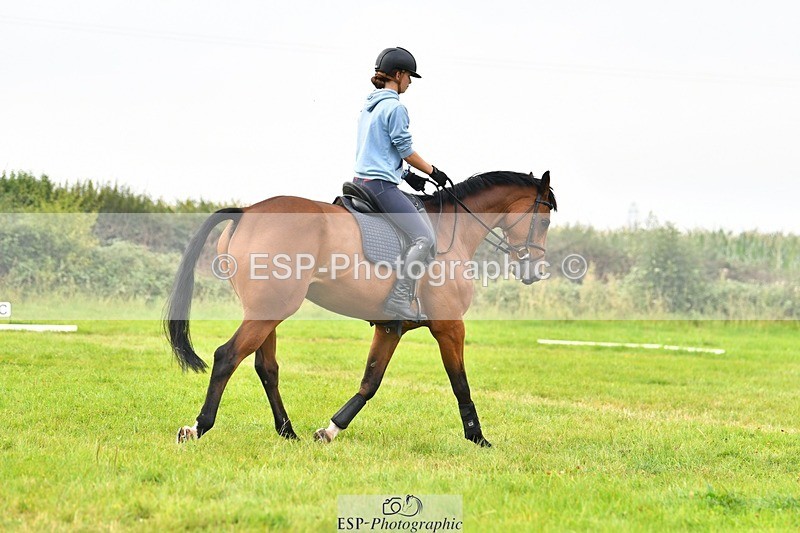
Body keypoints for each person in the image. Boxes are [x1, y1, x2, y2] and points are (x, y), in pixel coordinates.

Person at [353, 46, 449, 321]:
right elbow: (405, 149)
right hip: (381, 186)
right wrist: (434, 172)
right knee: (425, 237)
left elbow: (381, 152)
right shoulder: (396, 108)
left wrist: (407, 175)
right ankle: (397, 299)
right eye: (409, 76)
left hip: (361, 181)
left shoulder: (368, 108)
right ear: (398, 74)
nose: (409, 82)